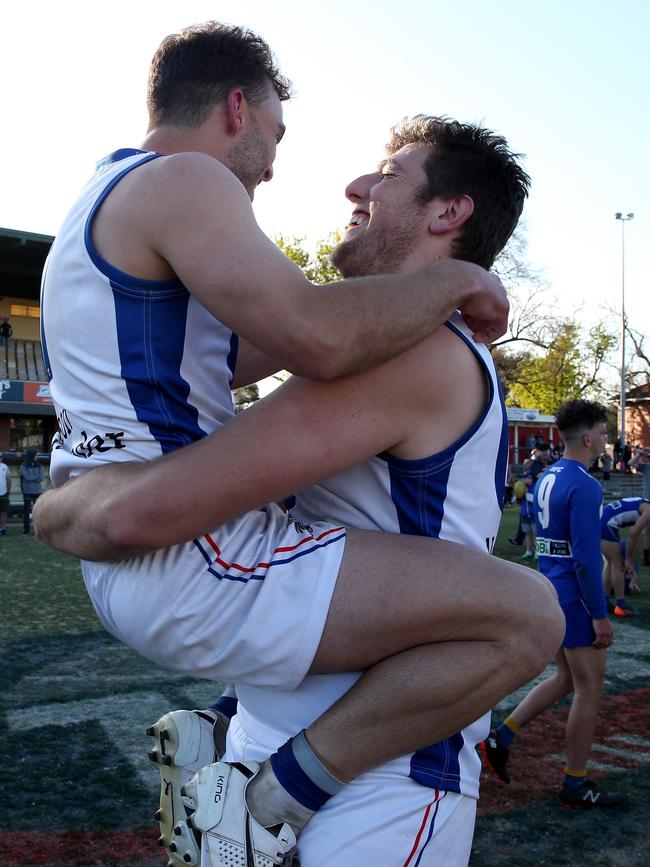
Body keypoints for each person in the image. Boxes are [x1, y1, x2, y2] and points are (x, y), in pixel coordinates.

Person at [33, 22, 563, 867]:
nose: (351, 182)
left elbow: (185, 475)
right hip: (293, 729)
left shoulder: (420, 349)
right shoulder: (374, 338)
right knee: (525, 608)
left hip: (382, 774)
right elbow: (290, 341)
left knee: (530, 610)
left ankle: (260, 781)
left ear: (448, 211)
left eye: (388, 174)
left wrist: (65, 504)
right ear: (238, 107)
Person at [480, 400, 624, 809]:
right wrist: (600, 615)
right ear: (587, 437)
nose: (605, 439)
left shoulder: (548, 474)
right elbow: (583, 556)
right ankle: (574, 784)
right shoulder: (584, 483)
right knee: (589, 689)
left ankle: (502, 736)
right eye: (602, 431)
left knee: (564, 678)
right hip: (574, 595)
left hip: (550, 585)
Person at [601, 496, 650, 616]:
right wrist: (629, 560)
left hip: (604, 519)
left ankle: (604, 601)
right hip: (607, 523)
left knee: (611, 563)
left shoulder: (645, 504)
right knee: (617, 564)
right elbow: (633, 534)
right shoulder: (648, 509)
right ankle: (621, 604)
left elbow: (641, 531)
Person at [630, 447, 650, 566]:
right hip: (648, 502)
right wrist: (640, 453)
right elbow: (630, 463)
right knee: (647, 531)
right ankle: (646, 557)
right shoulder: (647, 467)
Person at [19, 449, 43, 535]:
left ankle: (38, 530)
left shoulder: (40, 466)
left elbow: (41, 478)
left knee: (38, 511)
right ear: (32, 455)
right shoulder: (23, 466)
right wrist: (35, 477)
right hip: (27, 492)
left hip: (37, 491)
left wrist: (33, 478)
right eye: (36, 455)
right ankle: (26, 530)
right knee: (26, 512)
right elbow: (26, 477)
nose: (37, 457)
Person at [0, 454, 10, 535]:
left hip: (3, 493)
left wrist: (8, 492)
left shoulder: (5, 467)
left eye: (0, 457)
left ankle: (2, 529)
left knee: (3, 512)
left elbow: (8, 479)